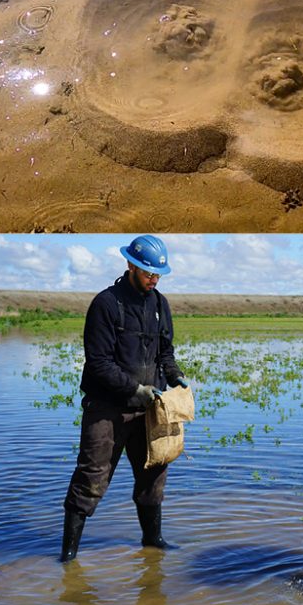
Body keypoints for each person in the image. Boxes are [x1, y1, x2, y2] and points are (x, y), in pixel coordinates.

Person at [59, 235, 188, 563]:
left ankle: (153, 543)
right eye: (148, 273)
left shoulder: (160, 304)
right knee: (90, 479)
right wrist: (134, 389)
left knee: (153, 477)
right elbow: (98, 363)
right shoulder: (106, 303)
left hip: (149, 412)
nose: (153, 279)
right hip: (107, 410)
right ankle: (68, 557)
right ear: (130, 265)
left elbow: (165, 353)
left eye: (158, 275)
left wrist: (175, 377)